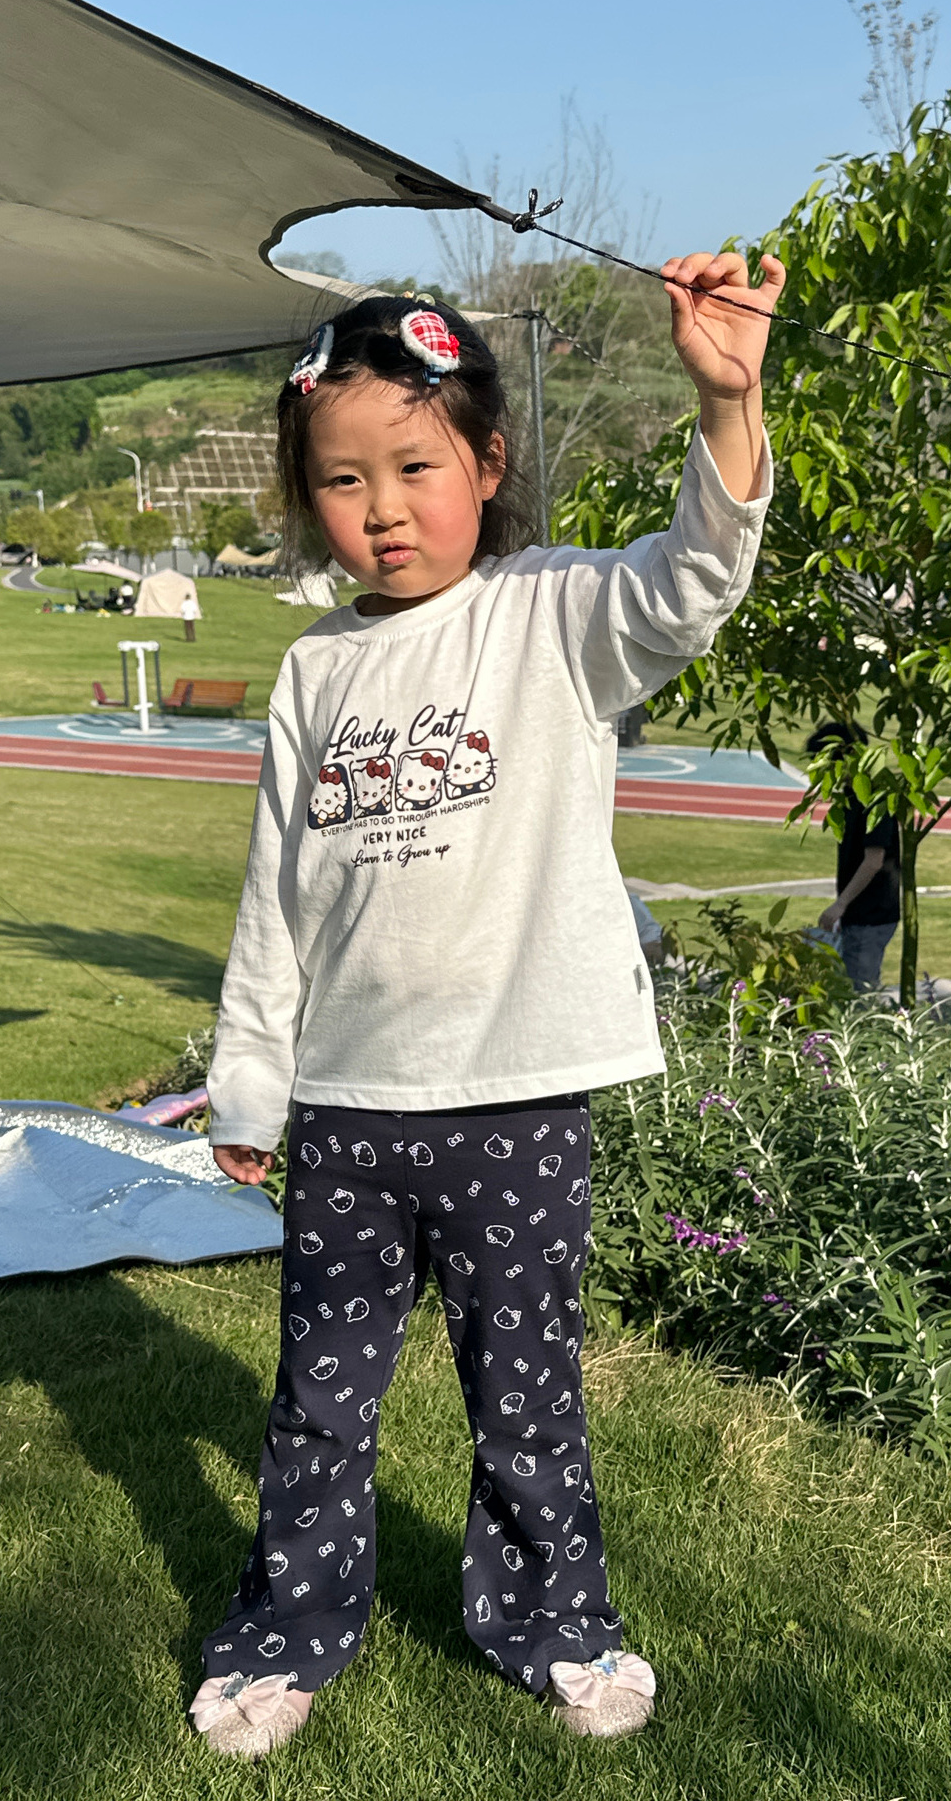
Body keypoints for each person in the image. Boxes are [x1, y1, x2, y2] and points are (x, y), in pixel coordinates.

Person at [193, 252, 783, 1758]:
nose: (382, 509)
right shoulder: (314, 670)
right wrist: (251, 1083)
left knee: (526, 1395)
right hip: (347, 1111)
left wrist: (729, 402)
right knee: (322, 1405)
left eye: (415, 466)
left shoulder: (555, 617)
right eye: (341, 480)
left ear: (490, 462)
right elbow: (277, 900)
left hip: (513, 1106)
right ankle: (287, 1632)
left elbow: (694, 577)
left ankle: (556, 1624)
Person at [809, 720, 901, 992]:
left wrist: (841, 905)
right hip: (858, 914)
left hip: (870, 915)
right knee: (847, 982)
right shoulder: (851, 796)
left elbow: (873, 860)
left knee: (859, 990)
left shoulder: (873, 797)